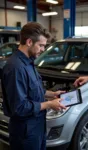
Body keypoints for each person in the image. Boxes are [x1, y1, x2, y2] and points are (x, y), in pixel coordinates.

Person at [1, 22, 66, 150]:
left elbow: (33, 89)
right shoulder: (15, 68)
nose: (43, 49)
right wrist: (49, 104)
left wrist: (51, 94)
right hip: (25, 132)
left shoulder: (29, 62)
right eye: (41, 45)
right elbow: (19, 108)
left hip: (37, 126)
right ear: (29, 42)